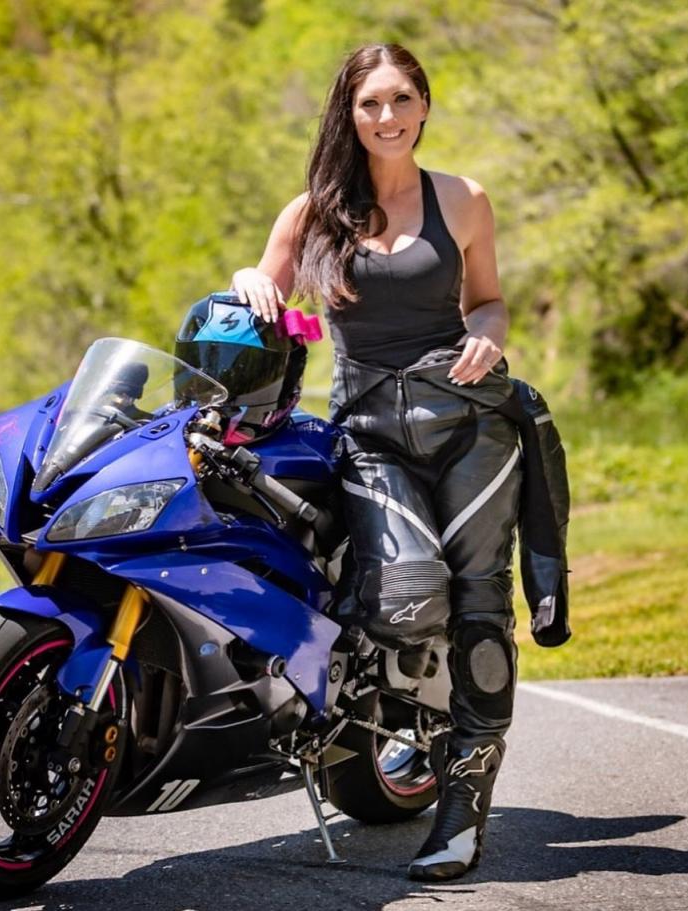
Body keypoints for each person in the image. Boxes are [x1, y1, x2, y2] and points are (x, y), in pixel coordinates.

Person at [231, 43, 565, 882]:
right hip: (369, 433)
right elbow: (262, 294)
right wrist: (246, 277)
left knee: (480, 605)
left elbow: (488, 301)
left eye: (402, 99)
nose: (388, 116)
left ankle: (462, 810)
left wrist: (488, 335)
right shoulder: (311, 213)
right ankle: (387, 723)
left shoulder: (463, 199)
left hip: (471, 427)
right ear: (348, 115)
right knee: (406, 594)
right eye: (370, 103)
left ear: (424, 105)